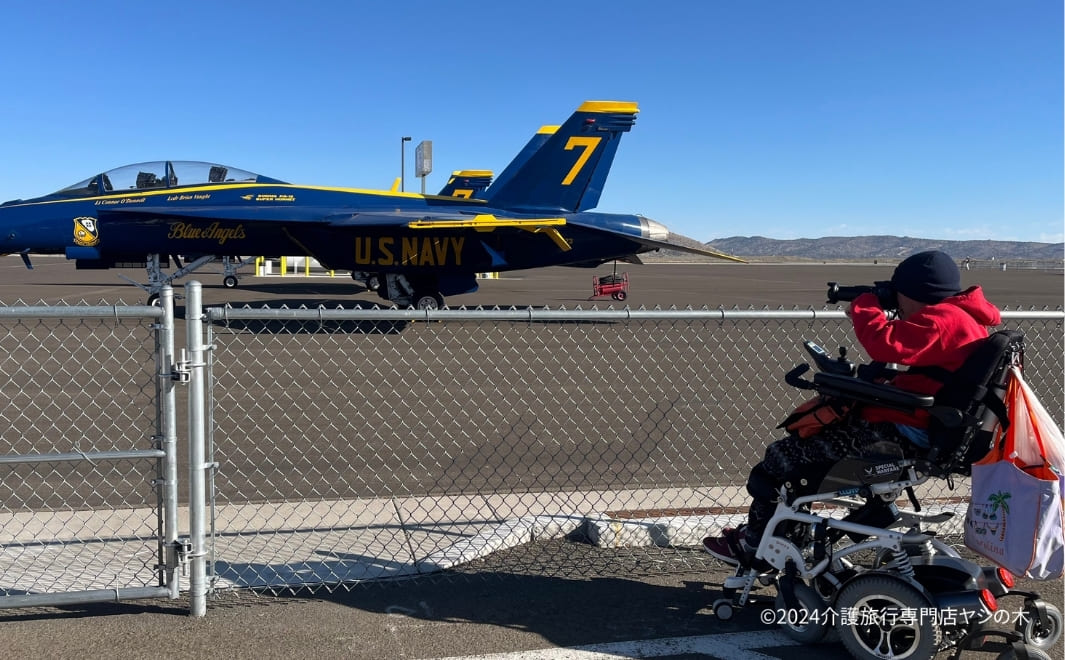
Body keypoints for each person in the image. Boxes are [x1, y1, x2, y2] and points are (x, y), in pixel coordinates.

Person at [702, 250, 1002, 568]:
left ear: (917, 294)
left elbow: (883, 344)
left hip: (900, 433)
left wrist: (866, 305)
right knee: (800, 462)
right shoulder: (962, 318)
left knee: (779, 461)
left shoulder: (943, 319)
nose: (898, 306)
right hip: (918, 426)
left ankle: (754, 550)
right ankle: (784, 538)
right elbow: (925, 371)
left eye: (900, 296)